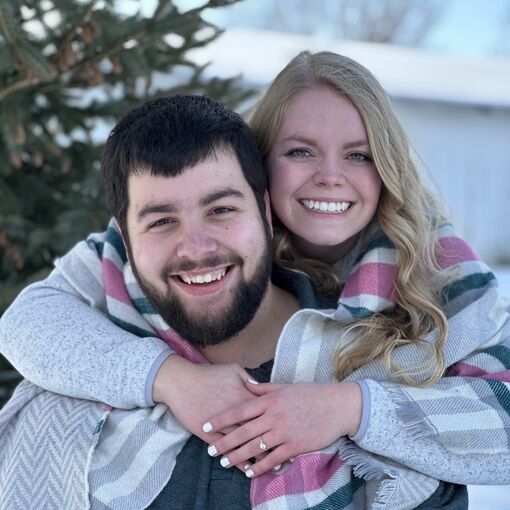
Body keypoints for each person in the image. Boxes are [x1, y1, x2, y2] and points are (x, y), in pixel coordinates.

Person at [1, 52, 509, 507]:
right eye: (300, 151)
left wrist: (350, 407)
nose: (330, 176)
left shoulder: (433, 271)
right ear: (263, 170)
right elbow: (28, 319)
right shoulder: (135, 257)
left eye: (359, 154)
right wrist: (172, 378)